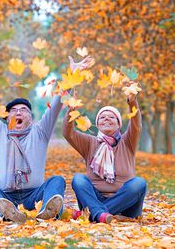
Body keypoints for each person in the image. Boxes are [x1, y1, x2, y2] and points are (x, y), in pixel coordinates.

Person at [0, 44, 93, 223]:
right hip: (4, 196)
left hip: (33, 196)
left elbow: (58, 103)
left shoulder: (40, 132)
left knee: (57, 181)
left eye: (24, 110)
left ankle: (47, 212)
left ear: (31, 118)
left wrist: (72, 75)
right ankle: (6, 214)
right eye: (13, 110)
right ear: (7, 117)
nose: (18, 112)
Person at [62, 91, 146, 224]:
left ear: (119, 124)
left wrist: (132, 102)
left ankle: (94, 214)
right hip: (94, 199)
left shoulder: (128, 141)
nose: (106, 118)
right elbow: (68, 133)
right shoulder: (89, 143)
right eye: (102, 117)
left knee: (139, 183)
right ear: (98, 124)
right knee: (78, 179)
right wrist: (71, 111)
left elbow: (136, 125)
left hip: (126, 205)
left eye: (112, 117)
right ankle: (100, 214)